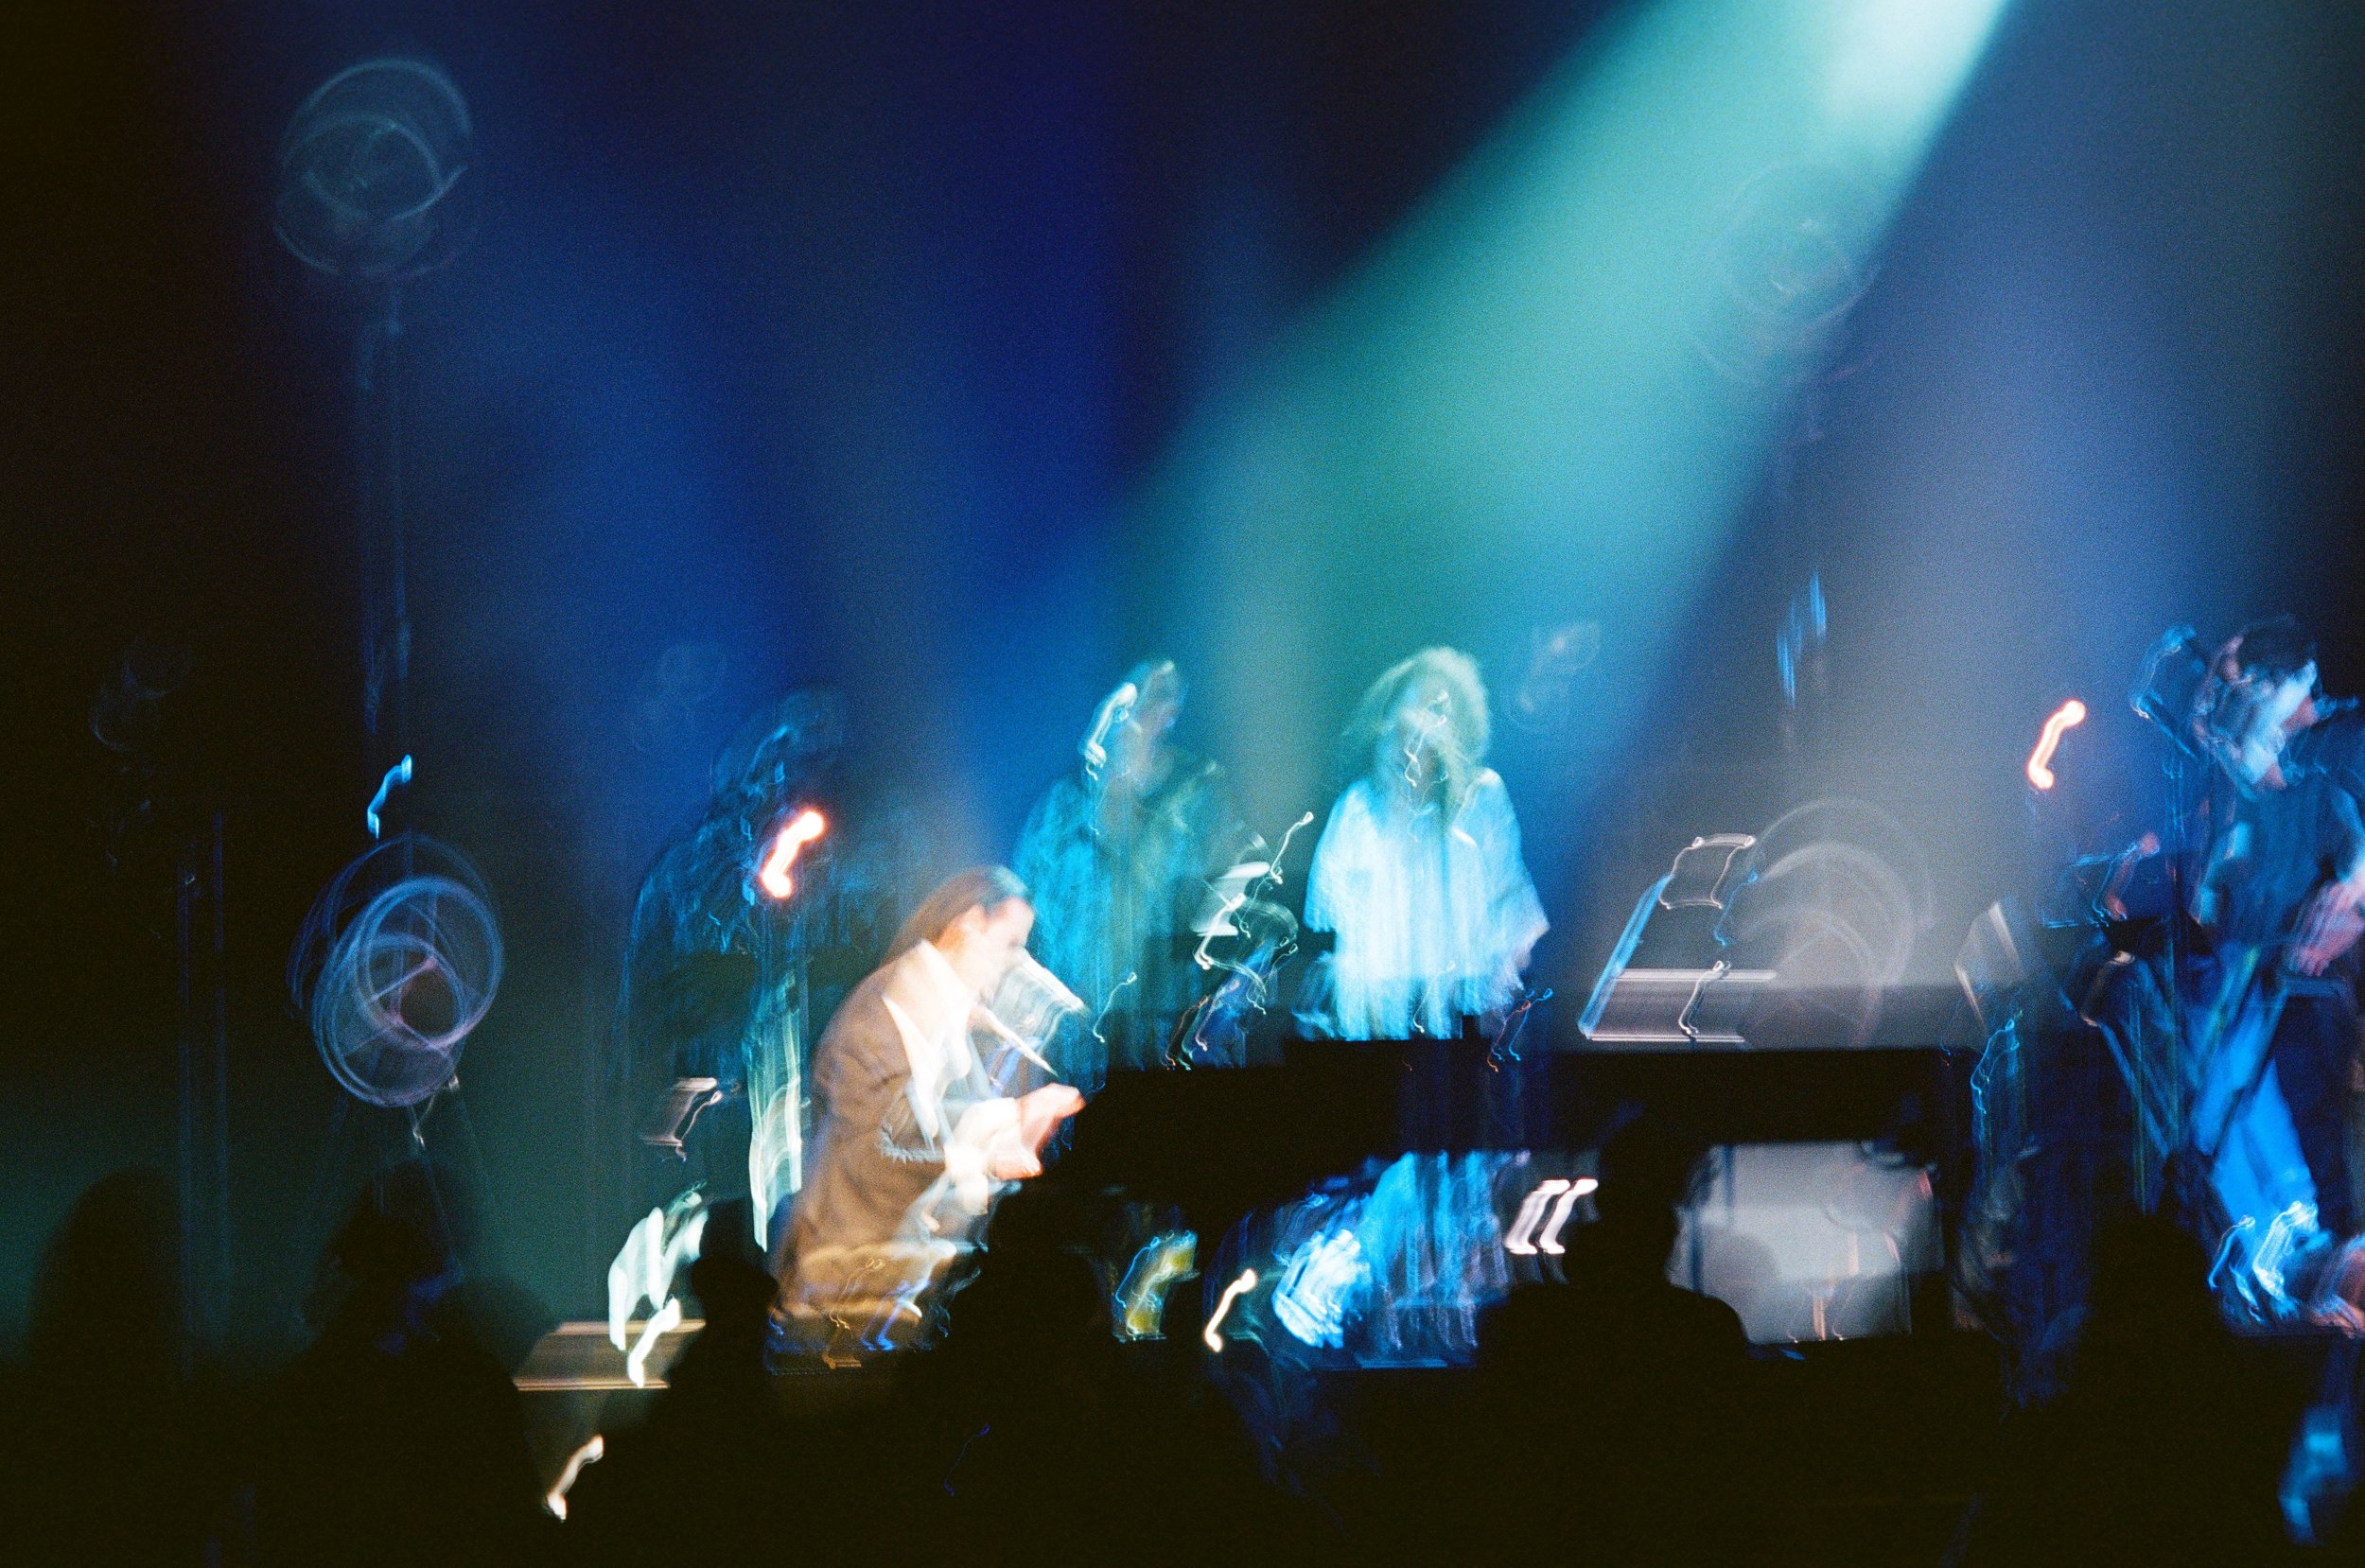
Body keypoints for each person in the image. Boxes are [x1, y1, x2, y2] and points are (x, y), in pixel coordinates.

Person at [776, 867, 1085, 1351]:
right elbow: (868, 1159)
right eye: (1009, 945)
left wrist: (1015, 1116)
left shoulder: (939, 1014)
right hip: (841, 1297)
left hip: (880, 1288)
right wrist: (984, 1153)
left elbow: (931, 1124)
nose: (1015, 964)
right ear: (967, 926)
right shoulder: (886, 1014)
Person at [2180, 618, 2365, 1259]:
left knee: (2330, 1102)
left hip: (2333, 981)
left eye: (2252, 687)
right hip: (2282, 975)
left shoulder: (2346, 741)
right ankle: (2335, 1242)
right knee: (2297, 1101)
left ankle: (2348, 1239)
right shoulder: (2283, 770)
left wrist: (2354, 893)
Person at [1014, 659, 1255, 1077]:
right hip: (1075, 1047)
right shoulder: (1060, 808)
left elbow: (1238, 903)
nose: (1151, 713)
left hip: (1169, 1044)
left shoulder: (1200, 795)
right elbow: (1024, 920)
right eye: (1135, 699)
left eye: (1164, 698)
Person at [1303, 648, 1547, 1039]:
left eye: (1439, 709)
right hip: (1374, 1020)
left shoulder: (1482, 795)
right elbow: (1334, 918)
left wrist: (1494, 990)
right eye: (1415, 705)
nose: (1423, 722)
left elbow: (1514, 909)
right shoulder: (1359, 804)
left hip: (1456, 1015)